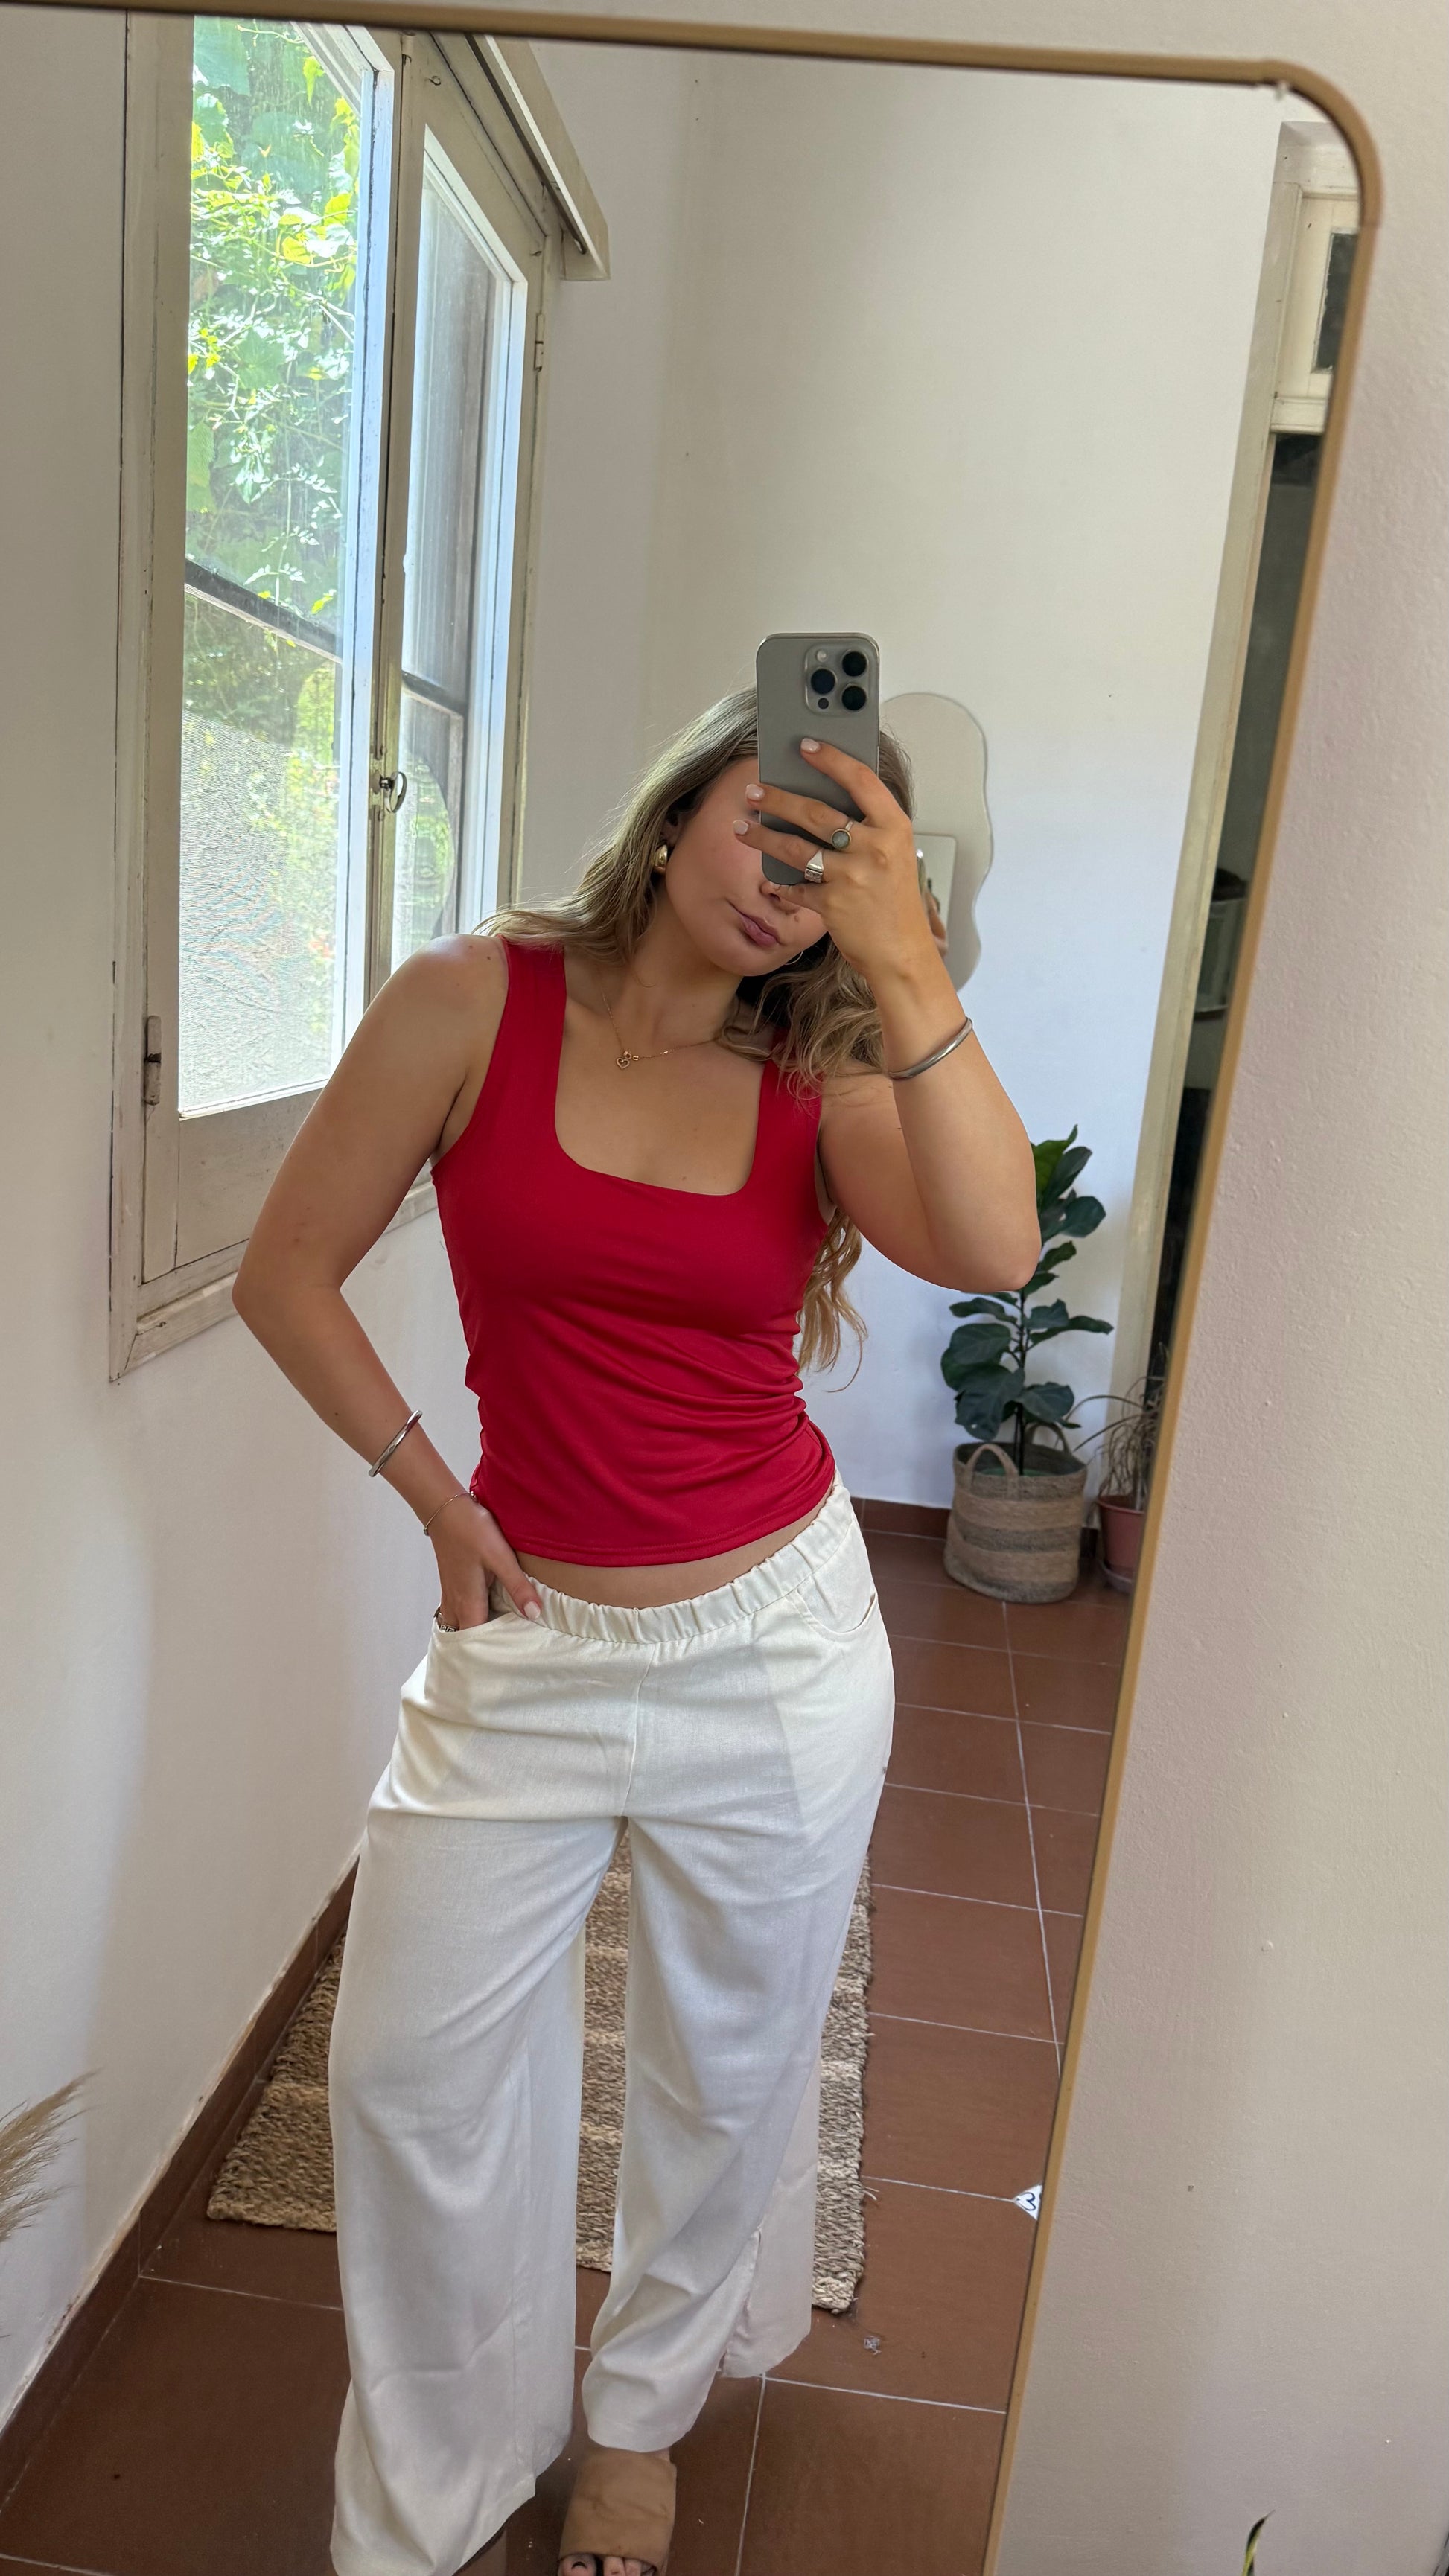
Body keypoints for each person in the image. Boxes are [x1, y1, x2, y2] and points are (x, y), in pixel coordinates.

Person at [233, 689, 1038, 2576]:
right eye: (767, 821)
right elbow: (285, 1269)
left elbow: (996, 1248)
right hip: (528, 1637)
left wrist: (906, 967)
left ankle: (637, 2424)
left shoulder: (824, 1073)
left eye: (834, 859)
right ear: (676, 808)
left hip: (772, 1643)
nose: (784, 880)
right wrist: (435, 1496)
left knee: (726, 2065)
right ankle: (438, 2476)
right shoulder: (470, 1001)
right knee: (409, 2075)